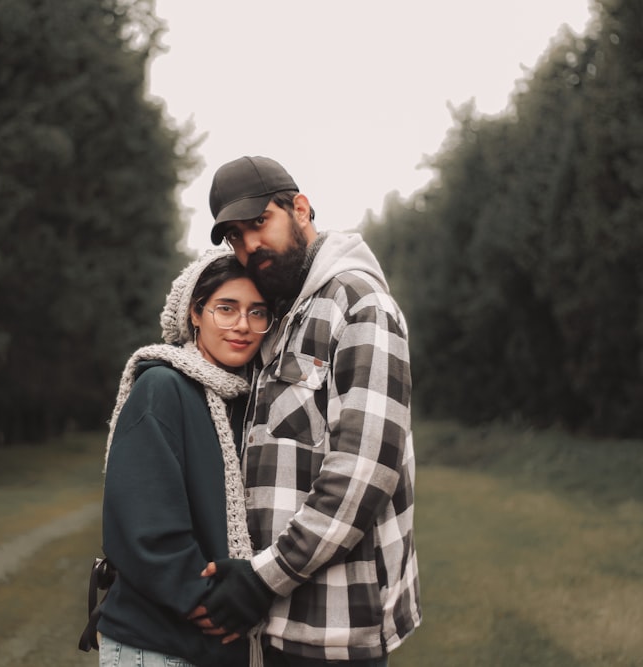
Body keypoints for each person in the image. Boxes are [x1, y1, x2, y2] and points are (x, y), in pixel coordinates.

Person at [190, 156, 422, 666]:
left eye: (258, 223)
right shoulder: (284, 317)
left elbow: (363, 472)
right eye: (234, 236)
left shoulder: (359, 304)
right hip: (276, 623)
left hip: (335, 628)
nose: (249, 246)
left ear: (300, 209)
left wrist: (260, 578)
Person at [96, 249, 275, 667]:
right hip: (155, 644)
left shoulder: (246, 405)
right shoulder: (162, 386)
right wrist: (211, 601)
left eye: (258, 312)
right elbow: (143, 521)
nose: (243, 326)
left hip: (217, 649)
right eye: (226, 309)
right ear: (195, 313)